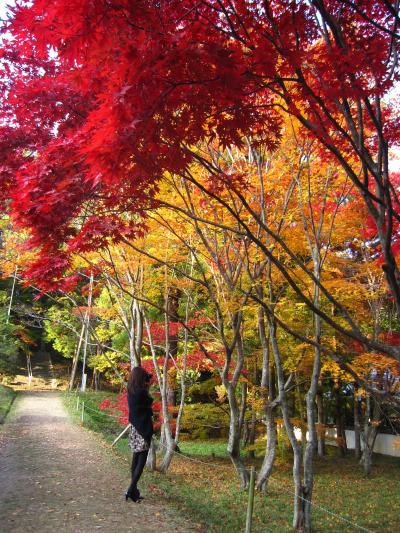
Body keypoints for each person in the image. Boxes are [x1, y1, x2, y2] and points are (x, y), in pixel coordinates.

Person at [125, 366, 153, 503]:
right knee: (141, 463)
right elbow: (149, 401)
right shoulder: (142, 392)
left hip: (135, 429)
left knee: (135, 459)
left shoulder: (130, 390)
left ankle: (134, 491)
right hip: (143, 429)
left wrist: (146, 384)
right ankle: (131, 490)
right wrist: (148, 386)